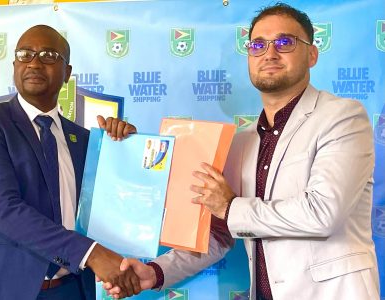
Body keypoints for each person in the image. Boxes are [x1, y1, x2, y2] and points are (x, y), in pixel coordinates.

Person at [104, 3, 380, 300]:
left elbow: (323, 213)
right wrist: (157, 272)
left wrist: (230, 206)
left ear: (311, 54)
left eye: (285, 42)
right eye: (258, 45)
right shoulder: (242, 141)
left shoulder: (342, 116)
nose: (270, 53)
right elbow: (220, 234)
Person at [0, 25, 141, 300]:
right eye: (25, 54)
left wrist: (125, 149)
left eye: (49, 55)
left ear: (68, 73)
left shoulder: (85, 140)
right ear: (15, 64)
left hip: (72, 290)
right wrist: (91, 253)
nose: (35, 63)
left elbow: (112, 206)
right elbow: (3, 209)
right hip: (1, 289)